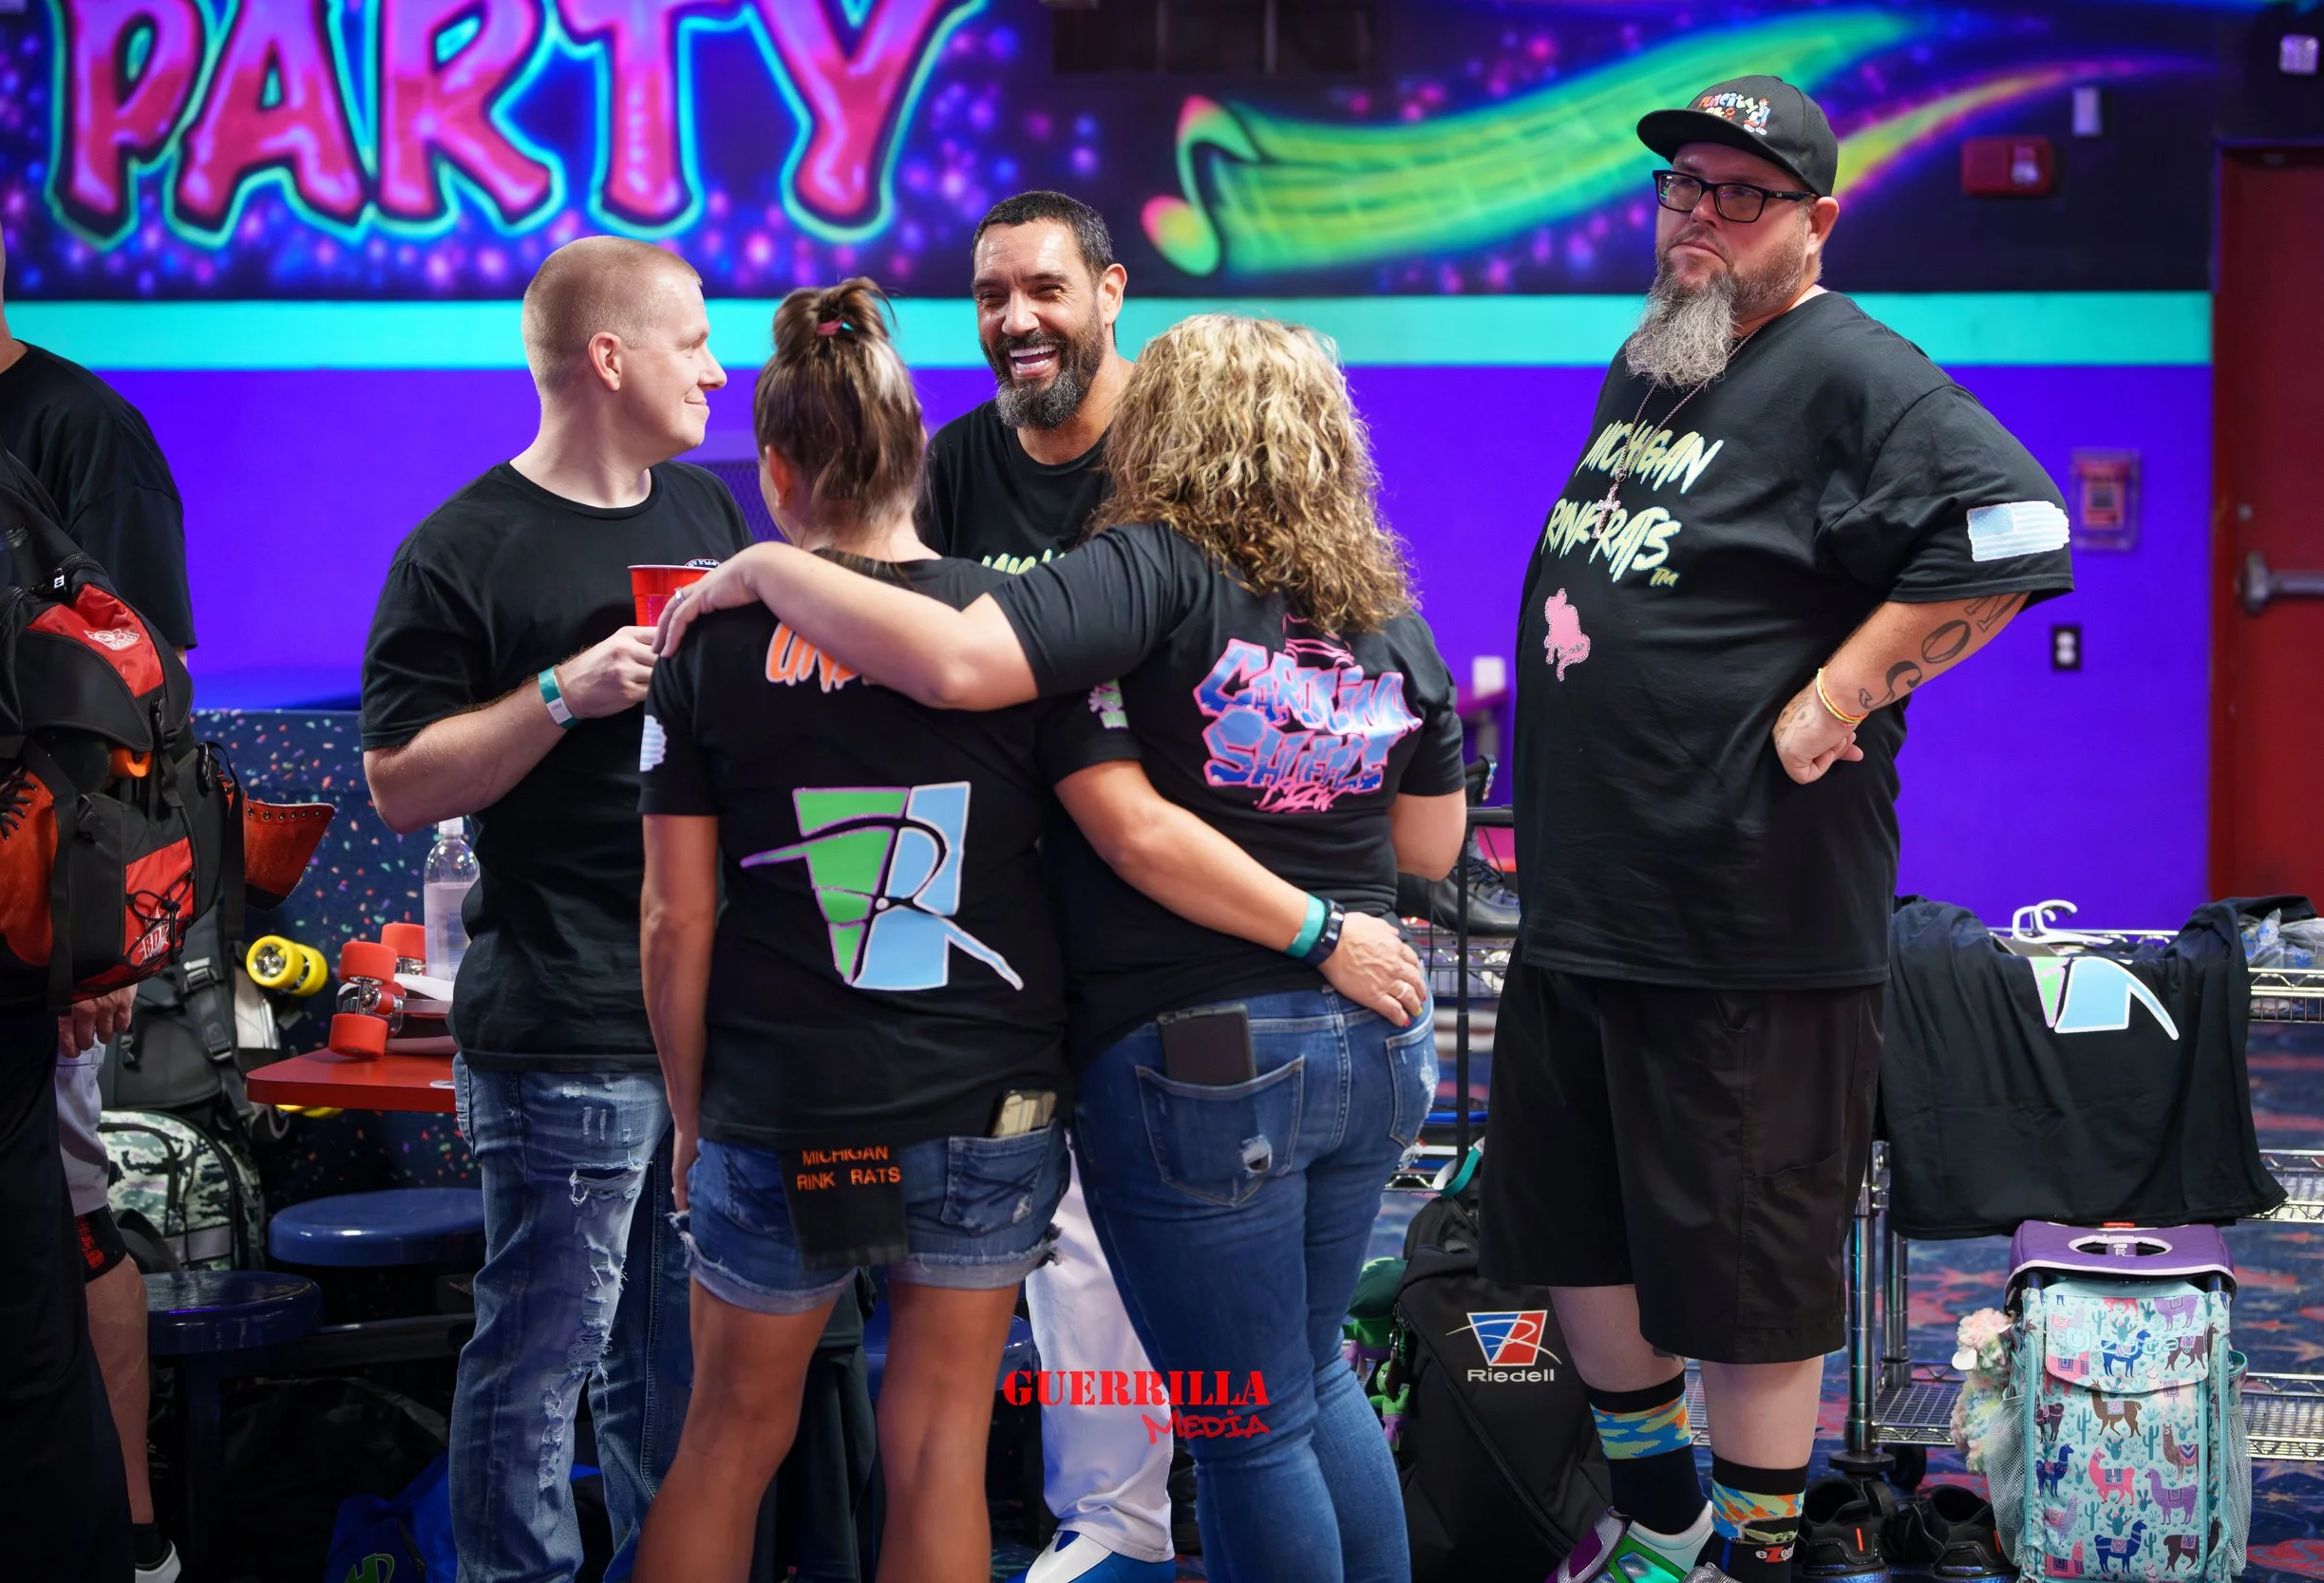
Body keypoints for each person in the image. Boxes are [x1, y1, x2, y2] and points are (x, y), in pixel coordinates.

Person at [661, 310, 1469, 1583]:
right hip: (1373, 1035)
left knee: (1246, 1426)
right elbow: (1428, 844)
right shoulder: (1388, 616)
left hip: (1205, 1048)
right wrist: (1321, 886)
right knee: (1312, 1382)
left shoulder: (1144, 569)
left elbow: (1007, 702)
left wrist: (766, 570)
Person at [1482, 76, 2073, 1583]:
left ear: (1815, 221)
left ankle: (1742, 1555)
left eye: (1740, 197)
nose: (1699, 219)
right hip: (1589, 901)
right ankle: (1665, 1521)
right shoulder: (1658, 360)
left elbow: (2018, 527)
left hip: (1743, 921)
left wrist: (1840, 693)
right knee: (1579, 1232)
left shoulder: (1851, 370)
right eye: (1683, 190)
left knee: (1746, 1276)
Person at [360, 236, 744, 1582]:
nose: (717, 363)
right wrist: (559, 694)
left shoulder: (711, 519)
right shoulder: (458, 551)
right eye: (693, 336)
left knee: (670, 1379)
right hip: (562, 1029)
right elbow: (401, 785)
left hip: (693, 1030)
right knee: (537, 1372)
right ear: (609, 357)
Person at [917, 188, 1175, 1583]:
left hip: (1169, 889)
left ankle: (1238, 1488)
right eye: (992, 294)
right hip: (1002, 900)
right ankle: (1115, 1524)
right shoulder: (952, 464)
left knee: (1177, 1219)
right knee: (1066, 1231)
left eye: (1046, 290)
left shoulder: (1181, 450)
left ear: (1113, 290)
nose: (1016, 319)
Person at [0, 161, 178, 1583]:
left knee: (58, 1239)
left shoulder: (67, 433)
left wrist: (95, 945)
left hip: (19, 953)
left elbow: (132, 709)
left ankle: (131, 1542)